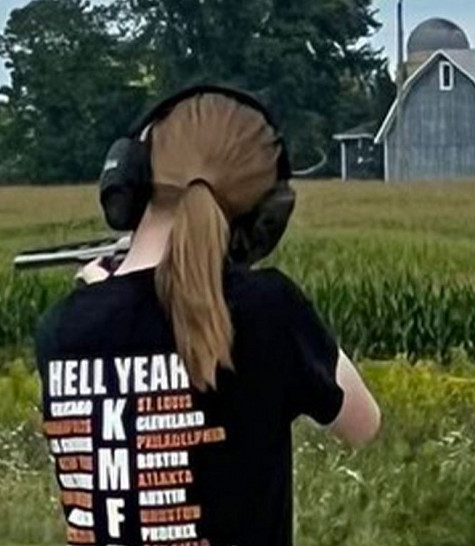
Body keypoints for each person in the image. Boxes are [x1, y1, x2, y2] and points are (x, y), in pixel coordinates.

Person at [34, 88, 381, 546]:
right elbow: (363, 424)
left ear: (133, 175)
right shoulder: (269, 311)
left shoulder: (62, 329)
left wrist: (102, 292)